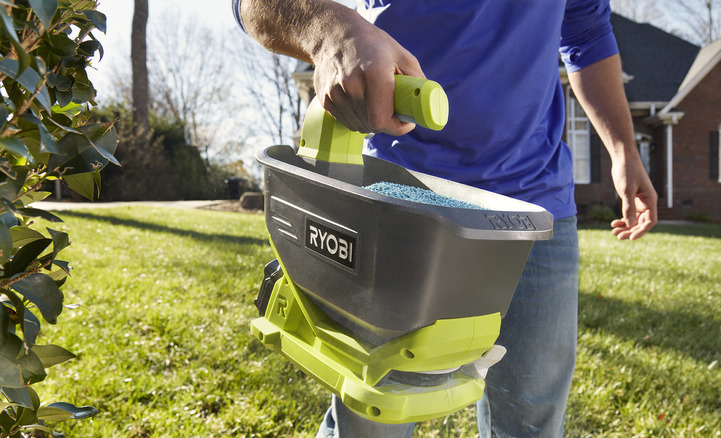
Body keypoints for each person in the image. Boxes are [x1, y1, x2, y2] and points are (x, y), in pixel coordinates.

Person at [233, 0, 658, 436]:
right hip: (401, 217)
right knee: (372, 412)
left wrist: (624, 150)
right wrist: (328, 32)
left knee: (530, 423)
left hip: (531, 211)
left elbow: (586, 35)